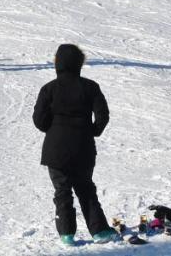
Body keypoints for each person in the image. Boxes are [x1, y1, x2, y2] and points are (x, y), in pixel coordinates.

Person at [32, 44, 115, 246]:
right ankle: (100, 232)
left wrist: (52, 130)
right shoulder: (90, 87)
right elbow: (103, 115)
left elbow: (39, 119)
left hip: (55, 150)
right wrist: (94, 130)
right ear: (79, 63)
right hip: (83, 147)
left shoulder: (48, 89)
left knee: (62, 190)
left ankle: (67, 234)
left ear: (57, 64)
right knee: (85, 188)